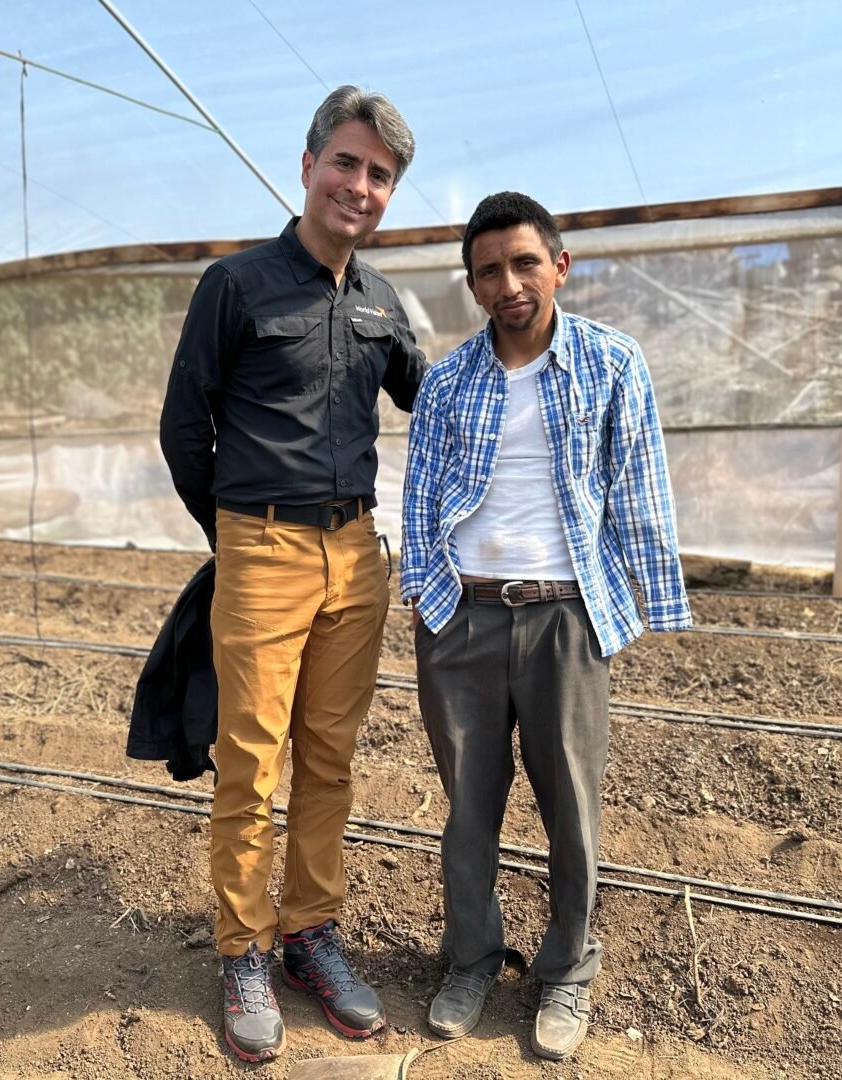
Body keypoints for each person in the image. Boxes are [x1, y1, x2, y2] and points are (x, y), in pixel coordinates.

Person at [159, 85, 425, 1064]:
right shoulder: (236, 285)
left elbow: (429, 404)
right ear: (307, 164)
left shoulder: (385, 302)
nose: (360, 186)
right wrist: (236, 533)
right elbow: (184, 428)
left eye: (381, 175)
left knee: (329, 758)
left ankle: (312, 933)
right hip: (261, 544)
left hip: (358, 555)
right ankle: (241, 950)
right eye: (347, 163)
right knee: (252, 760)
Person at [400, 192, 691, 1061]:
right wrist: (429, 595)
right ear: (473, 285)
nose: (509, 283)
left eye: (525, 262)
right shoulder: (450, 379)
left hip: (565, 616)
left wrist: (649, 605)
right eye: (489, 270)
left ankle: (567, 967)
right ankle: (473, 957)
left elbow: (638, 486)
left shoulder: (610, 362)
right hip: (466, 616)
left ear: (559, 266)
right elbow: (418, 497)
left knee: (571, 804)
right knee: (468, 808)